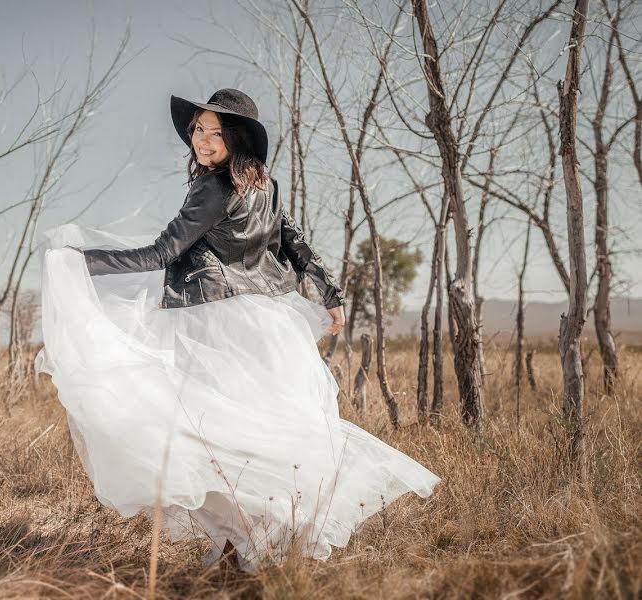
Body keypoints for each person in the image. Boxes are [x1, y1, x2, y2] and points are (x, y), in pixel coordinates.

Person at [35, 88, 440, 572]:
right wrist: (330, 294)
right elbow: (296, 244)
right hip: (265, 322)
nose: (201, 140)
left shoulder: (213, 188)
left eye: (214, 131)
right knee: (248, 436)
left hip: (211, 322)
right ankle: (245, 545)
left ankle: (242, 543)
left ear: (236, 137)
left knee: (197, 436)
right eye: (197, 129)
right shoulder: (263, 184)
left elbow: (160, 254)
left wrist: (79, 262)